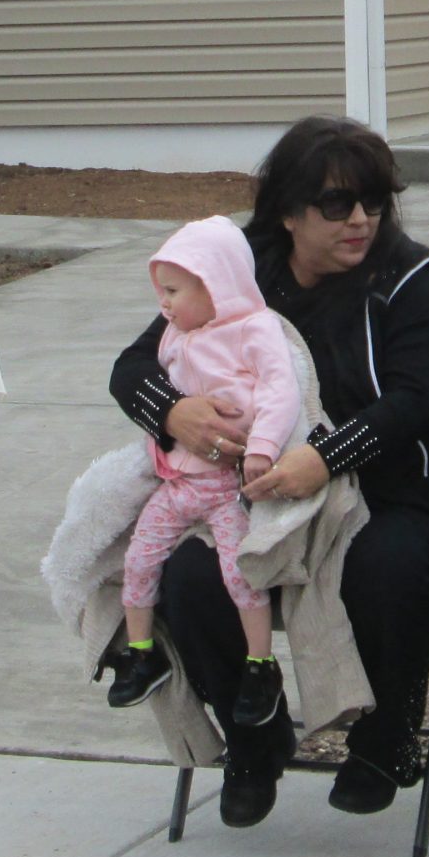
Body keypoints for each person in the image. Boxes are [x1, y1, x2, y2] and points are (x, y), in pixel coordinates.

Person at [109, 116, 429, 826]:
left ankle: (386, 736)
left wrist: (325, 458)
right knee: (189, 574)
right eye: (337, 205)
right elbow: (132, 366)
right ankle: (255, 733)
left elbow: (419, 400)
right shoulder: (238, 272)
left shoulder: (413, 279)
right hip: (253, 495)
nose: (361, 219)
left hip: (399, 489)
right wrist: (174, 412)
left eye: (374, 201)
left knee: (383, 566)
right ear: (289, 213)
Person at [109, 216, 302, 727]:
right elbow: (130, 371)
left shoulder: (254, 329)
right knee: (139, 560)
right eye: (161, 292)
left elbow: (281, 390)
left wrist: (262, 446)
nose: (164, 304)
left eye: (173, 291)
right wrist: (171, 409)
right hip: (178, 482)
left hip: (225, 488)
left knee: (239, 575)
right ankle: (141, 651)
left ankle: (261, 664)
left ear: (215, 285)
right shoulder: (174, 333)